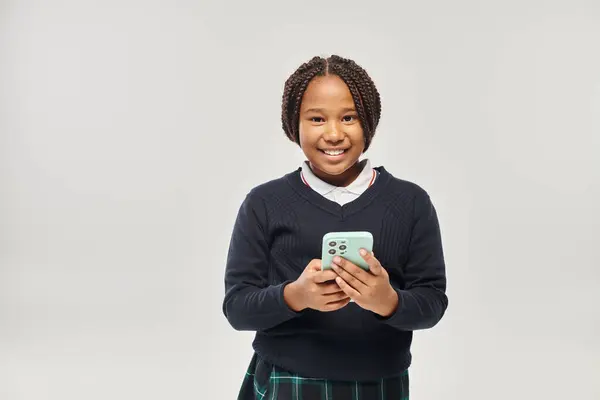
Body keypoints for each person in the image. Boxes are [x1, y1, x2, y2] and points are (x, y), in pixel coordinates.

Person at [222, 55, 448, 399]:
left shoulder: (410, 202)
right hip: (287, 379)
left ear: (368, 123)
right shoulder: (264, 203)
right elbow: (237, 308)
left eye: (348, 117)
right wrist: (295, 295)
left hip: (379, 384)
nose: (333, 133)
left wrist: (387, 301)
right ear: (293, 125)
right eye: (316, 118)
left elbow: (432, 302)